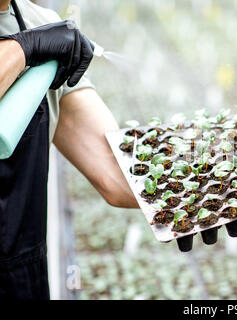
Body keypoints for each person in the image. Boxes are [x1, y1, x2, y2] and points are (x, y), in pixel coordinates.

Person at [0, 0, 138, 299]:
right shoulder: (37, 39)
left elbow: (117, 172)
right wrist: (24, 49)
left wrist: (229, 182)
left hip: (19, 281)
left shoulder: (38, 22)